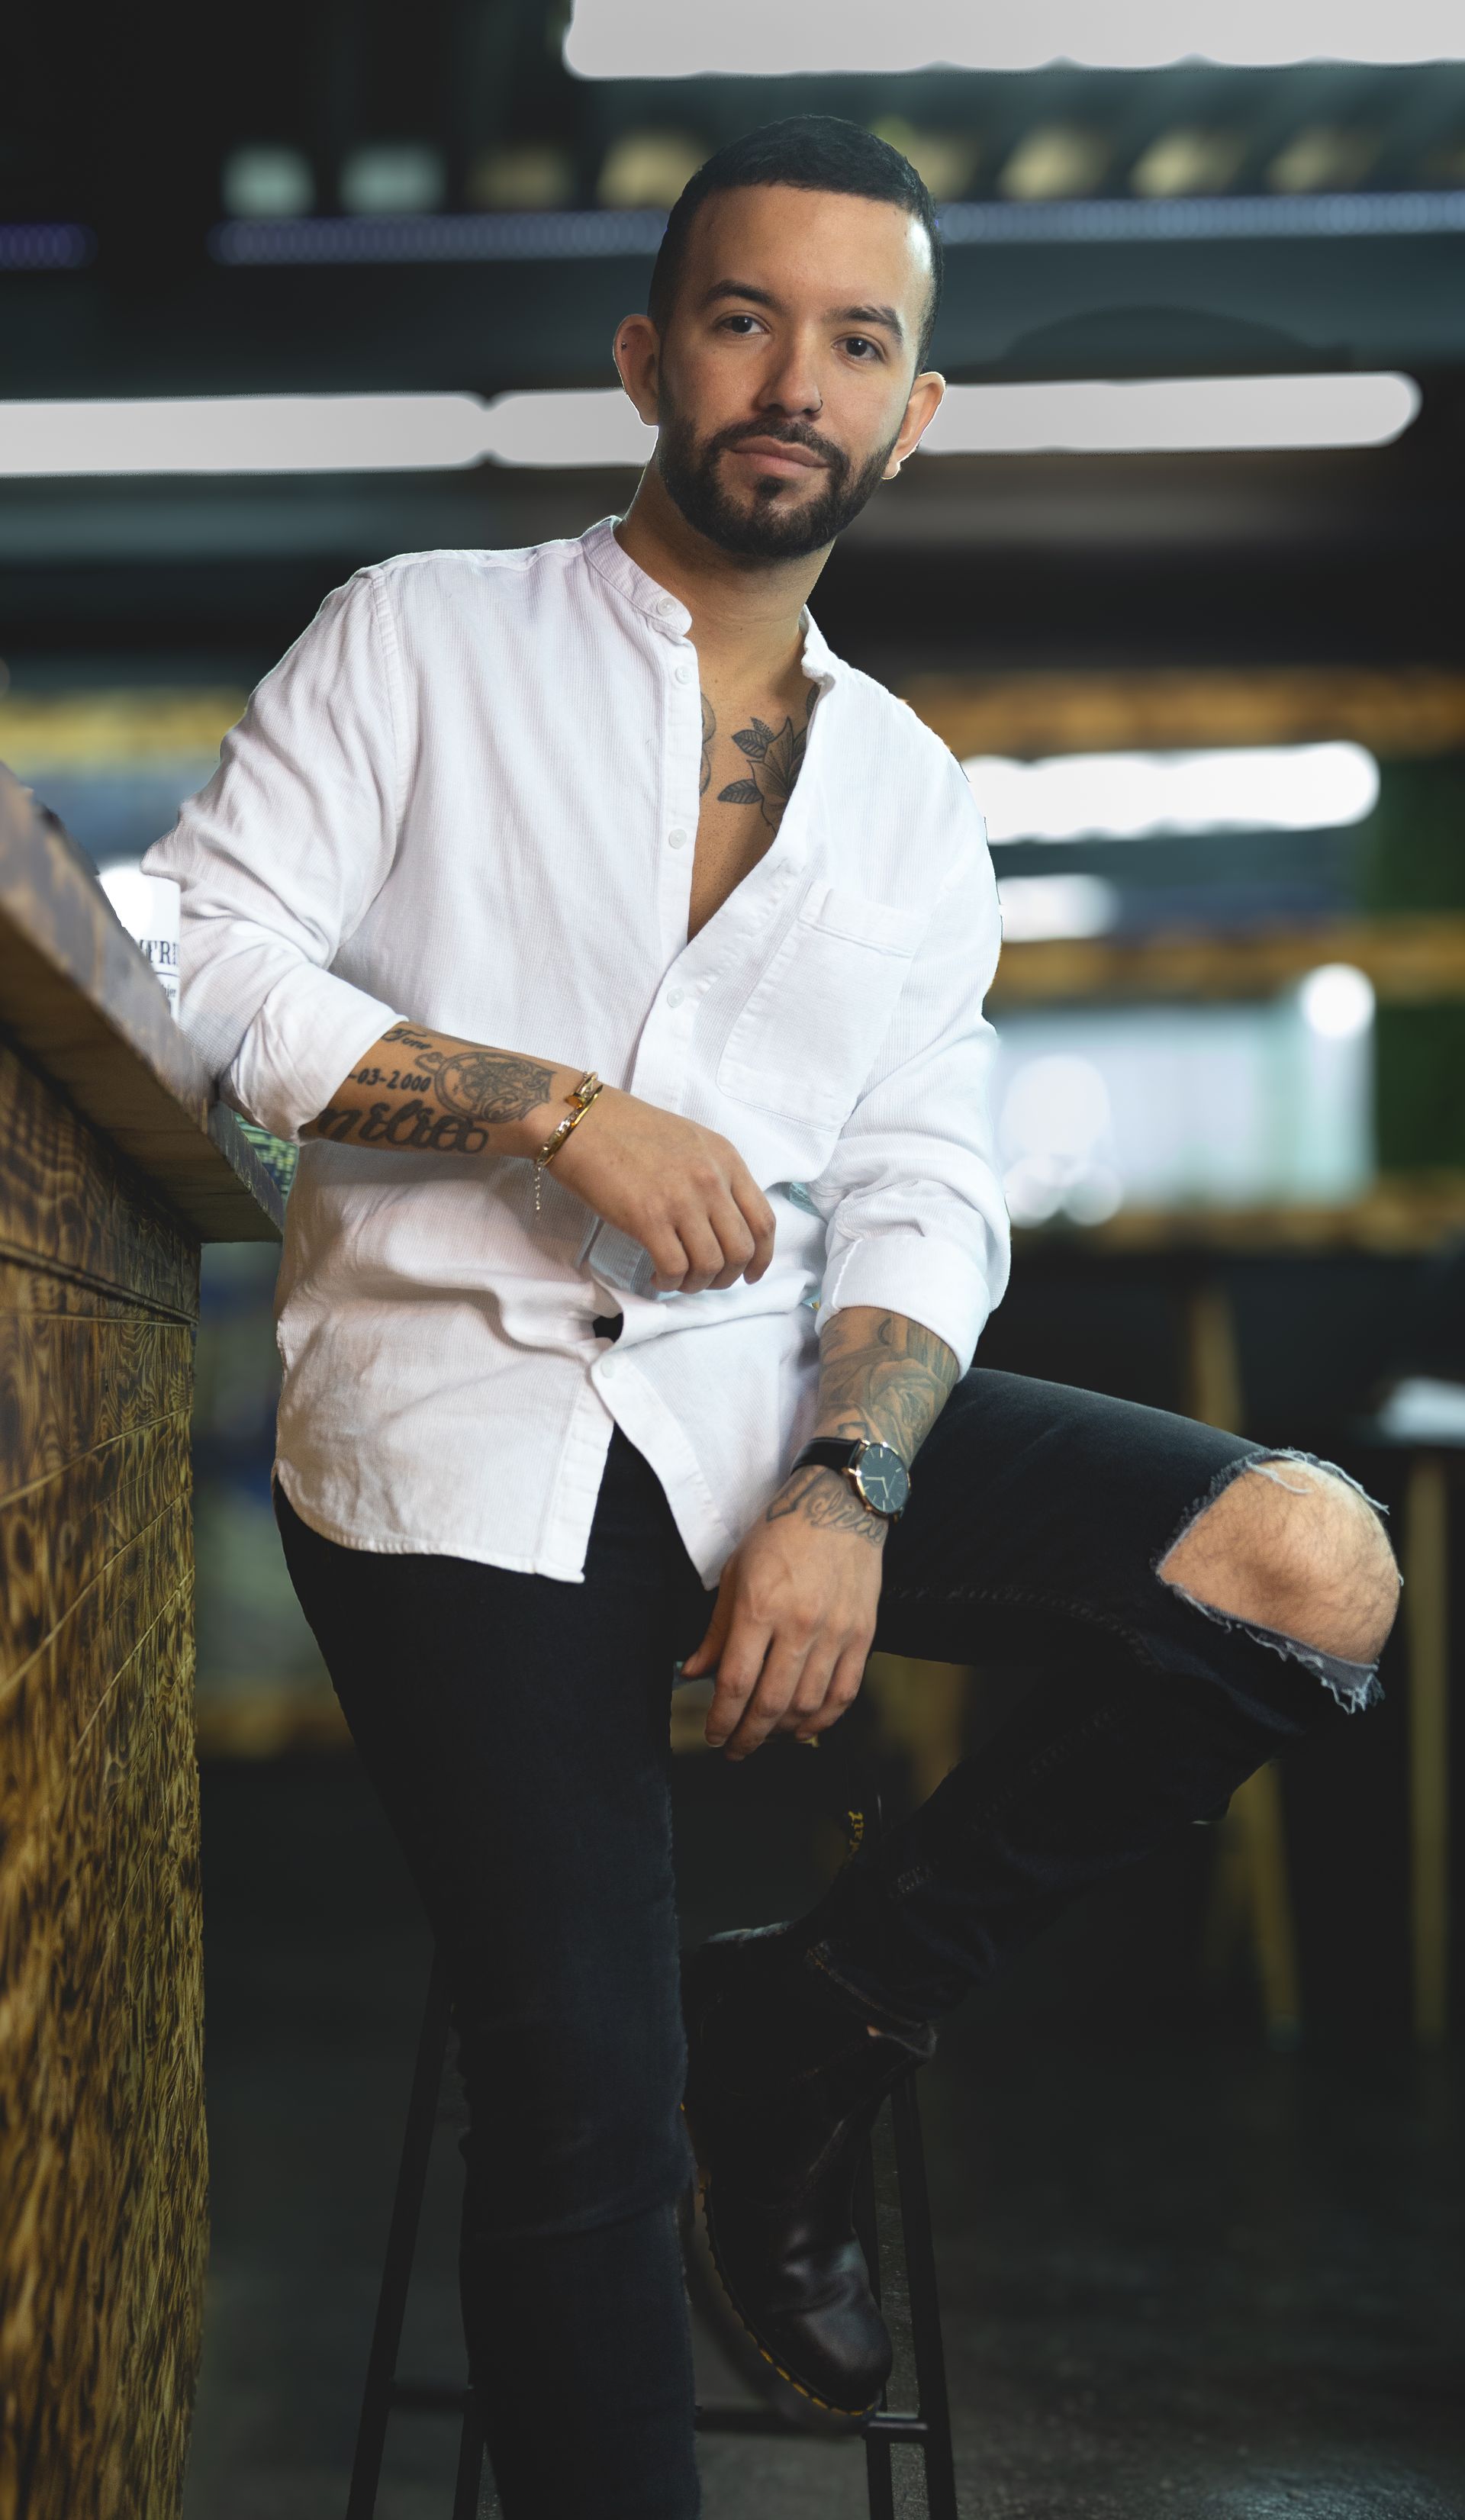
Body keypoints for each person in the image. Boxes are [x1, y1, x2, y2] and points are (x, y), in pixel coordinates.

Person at [143, 114, 1401, 2519]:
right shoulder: (422, 633)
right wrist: (551, 1111)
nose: (792, 381)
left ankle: (815, 2021)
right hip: (448, 1453)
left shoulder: (918, 803)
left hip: (758, 1431)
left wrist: (848, 1488)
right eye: (744, 320)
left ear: (912, 410)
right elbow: (197, 961)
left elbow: (927, 1184)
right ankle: (687, 2071)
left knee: (1306, 1564)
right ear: (648, 354)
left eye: (857, 340)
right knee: (576, 2108)